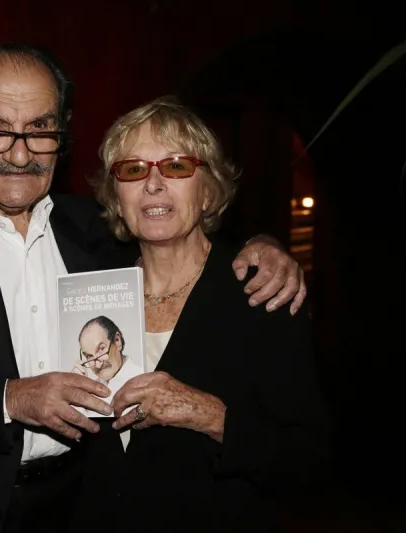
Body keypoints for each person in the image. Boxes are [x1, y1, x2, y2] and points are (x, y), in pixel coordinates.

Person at [0, 44, 307, 533]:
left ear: (61, 135)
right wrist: (9, 399)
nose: (20, 154)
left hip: (77, 507)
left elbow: (176, 224)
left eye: (39, 129)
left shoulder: (91, 230)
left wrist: (262, 244)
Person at [86, 95, 329, 532]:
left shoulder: (261, 294)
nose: (153, 184)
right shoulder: (88, 287)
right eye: (133, 170)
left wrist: (209, 415)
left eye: (177, 166)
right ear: (116, 198)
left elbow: (308, 462)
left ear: (208, 193)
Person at [72, 316, 141, 392]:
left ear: (117, 341)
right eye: (89, 356)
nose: (98, 365)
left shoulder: (142, 379)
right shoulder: (89, 389)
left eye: (101, 349)